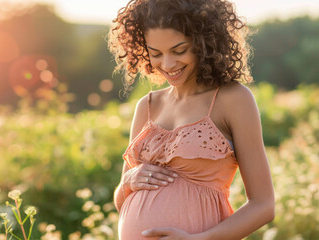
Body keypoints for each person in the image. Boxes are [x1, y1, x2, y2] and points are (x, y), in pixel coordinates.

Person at [108, 0, 275, 239]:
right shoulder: (147, 106)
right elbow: (121, 200)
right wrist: (127, 182)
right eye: (156, 53)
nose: (167, 64)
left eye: (179, 51)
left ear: (204, 43)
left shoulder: (232, 99)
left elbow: (264, 206)